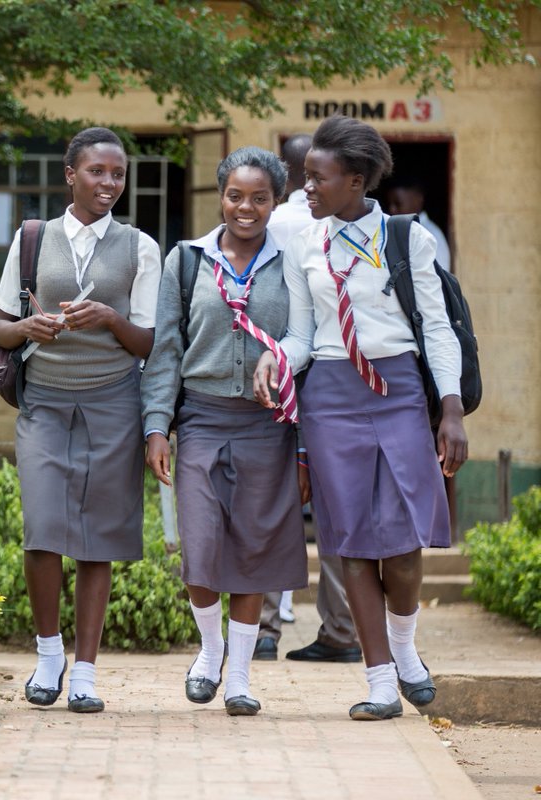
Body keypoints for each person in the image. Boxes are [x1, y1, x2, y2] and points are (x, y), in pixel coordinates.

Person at [254, 114, 467, 721]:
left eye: (317, 179)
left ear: (355, 181)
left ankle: (404, 648)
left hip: (398, 391)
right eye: (305, 177)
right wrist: (276, 358)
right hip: (330, 396)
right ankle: (378, 682)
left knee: (401, 544)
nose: (306, 189)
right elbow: (303, 334)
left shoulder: (407, 239)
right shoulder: (304, 243)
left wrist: (450, 409)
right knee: (349, 541)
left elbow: (438, 330)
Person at [0, 126, 161, 714]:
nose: (108, 183)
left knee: (97, 538)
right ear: (71, 175)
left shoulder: (139, 247)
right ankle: (48, 655)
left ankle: (85, 671)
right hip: (44, 402)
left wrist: (110, 318)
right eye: (96, 171)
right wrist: (28, 328)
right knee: (42, 528)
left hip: (114, 403)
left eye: (117, 174)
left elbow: (149, 342)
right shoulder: (32, 238)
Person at [141, 146, 308, 717]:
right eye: (235, 195)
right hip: (202, 419)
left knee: (253, 549)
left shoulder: (292, 262)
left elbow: (306, 339)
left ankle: (238, 677)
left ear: (276, 201)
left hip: (267, 424)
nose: (246, 207)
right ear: (221, 196)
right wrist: (157, 425)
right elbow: (166, 349)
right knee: (201, 544)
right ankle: (210, 650)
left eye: (259, 198)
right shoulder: (187, 261)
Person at [256, 133, 363, 665]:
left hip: (276, 373)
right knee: (336, 508)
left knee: (275, 503)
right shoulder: (358, 223)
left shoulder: (272, 222)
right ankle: (341, 629)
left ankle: (264, 628)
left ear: (287, 171)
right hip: (336, 379)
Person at [386, 176, 451, 272]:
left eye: (398, 204)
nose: (391, 209)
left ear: (418, 199)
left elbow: (438, 277)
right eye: (389, 204)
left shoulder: (429, 235)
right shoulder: (401, 230)